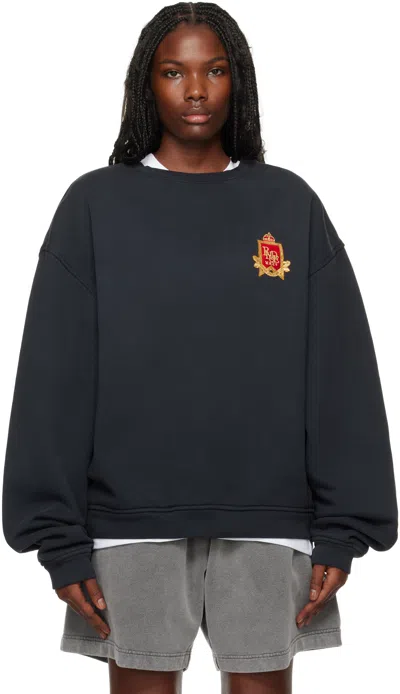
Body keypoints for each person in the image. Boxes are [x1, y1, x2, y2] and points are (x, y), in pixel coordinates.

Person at [2, 3, 398, 694]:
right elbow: (54, 376)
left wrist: (345, 527)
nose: (194, 90)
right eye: (173, 72)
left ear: (237, 79)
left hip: (271, 517)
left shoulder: (289, 204)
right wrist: (59, 541)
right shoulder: (94, 205)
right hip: (128, 522)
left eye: (214, 70)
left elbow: (338, 370)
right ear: (145, 83)